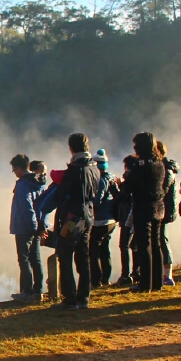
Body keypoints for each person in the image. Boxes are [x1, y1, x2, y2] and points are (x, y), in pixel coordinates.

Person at [49, 133, 101, 310]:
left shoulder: (75, 169)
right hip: (88, 216)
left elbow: (61, 194)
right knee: (83, 256)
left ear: (71, 148)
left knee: (65, 254)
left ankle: (69, 299)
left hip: (72, 218)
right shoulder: (94, 167)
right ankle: (83, 297)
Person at [128, 133, 166, 293]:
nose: (134, 148)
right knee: (156, 244)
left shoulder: (140, 165)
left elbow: (130, 186)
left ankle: (145, 283)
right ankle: (157, 282)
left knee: (144, 245)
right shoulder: (159, 164)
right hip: (158, 206)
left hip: (143, 206)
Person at [9, 154, 47, 303]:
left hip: (24, 227)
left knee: (24, 259)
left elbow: (26, 206)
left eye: (14, 170)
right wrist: (40, 226)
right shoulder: (37, 181)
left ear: (19, 168)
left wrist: (32, 227)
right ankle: (38, 291)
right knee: (35, 258)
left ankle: (28, 292)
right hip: (36, 226)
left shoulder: (23, 184)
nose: (14, 173)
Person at [89, 149, 120, 288]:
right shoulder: (111, 177)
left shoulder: (101, 180)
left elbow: (97, 200)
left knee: (93, 251)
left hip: (100, 220)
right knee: (105, 250)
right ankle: (106, 279)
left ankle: (96, 280)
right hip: (111, 220)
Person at [156, 140, 179, 287]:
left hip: (164, 210)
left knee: (163, 240)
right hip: (162, 209)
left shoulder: (167, 169)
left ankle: (168, 275)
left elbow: (162, 189)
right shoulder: (165, 167)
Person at [114, 155, 138, 286]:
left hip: (127, 216)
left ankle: (126, 275)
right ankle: (136, 272)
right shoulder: (137, 177)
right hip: (136, 215)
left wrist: (115, 189)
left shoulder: (129, 177)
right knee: (135, 246)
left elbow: (122, 197)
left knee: (124, 245)